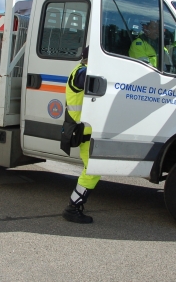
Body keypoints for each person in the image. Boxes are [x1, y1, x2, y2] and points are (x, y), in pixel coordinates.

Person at [60, 46, 101, 224]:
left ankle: (74, 206)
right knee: (92, 170)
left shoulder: (80, 70)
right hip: (83, 131)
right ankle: (72, 207)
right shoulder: (81, 72)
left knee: (93, 170)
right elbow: (88, 80)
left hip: (87, 130)